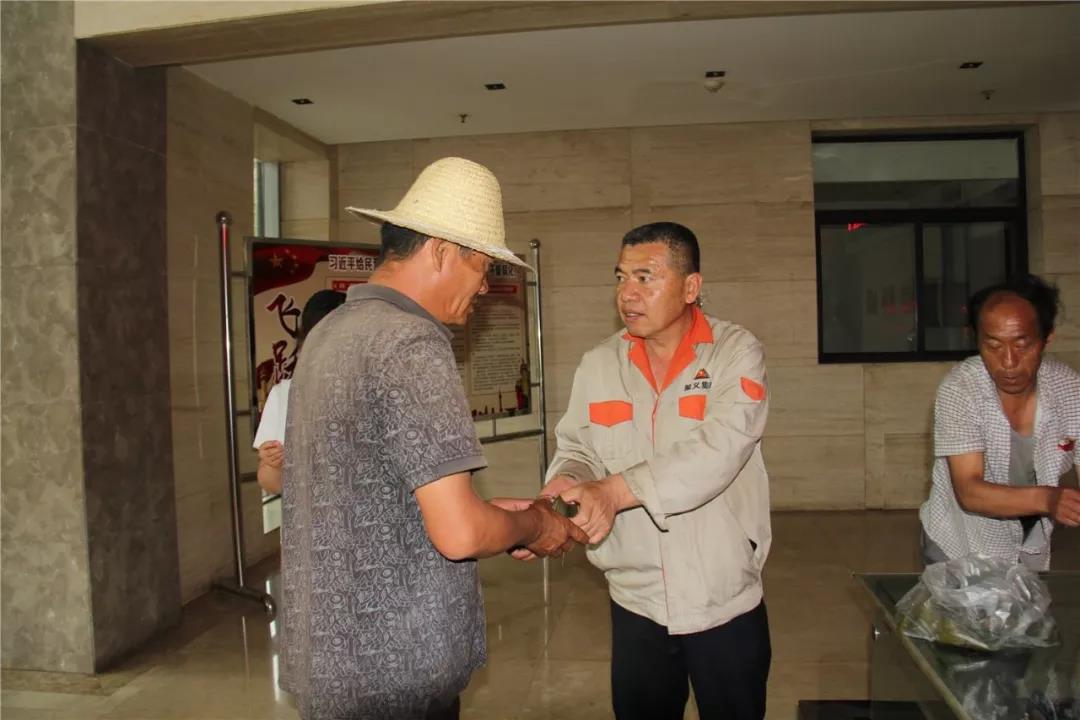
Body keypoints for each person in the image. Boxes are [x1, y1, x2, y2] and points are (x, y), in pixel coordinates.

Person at [279, 157, 588, 720]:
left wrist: (492, 513)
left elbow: (368, 495)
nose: (486, 286)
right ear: (443, 252)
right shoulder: (412, 342)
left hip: (332, 665)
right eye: (483, 267)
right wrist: (537, 524)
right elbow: (460, 534)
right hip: (396, 674)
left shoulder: (329, 332)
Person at [534, 222, 773, 720]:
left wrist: (614, 491)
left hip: (722, 597)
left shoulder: (734, 353)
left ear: (690, 287)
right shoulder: (599, 364)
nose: (627, 293)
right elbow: (577, 446)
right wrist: (566, 485)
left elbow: (720, 449)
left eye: (645, 277)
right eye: (621, 277)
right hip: (636, 600)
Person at [919, 274, 1080, 570]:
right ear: (975, 338)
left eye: (1022, 345)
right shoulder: (960, 389)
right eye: (993, 346)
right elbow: (969, 492)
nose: (1008, 362)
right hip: (960, 540)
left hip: (1029, 540)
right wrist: (1048, 499)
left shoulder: (1069, 389)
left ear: (1047, 338)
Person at [253, 289, 346, 495]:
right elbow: (271, 484)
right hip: (309, 512)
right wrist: (272, 464)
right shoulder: (284, 394)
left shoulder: (376, 391)